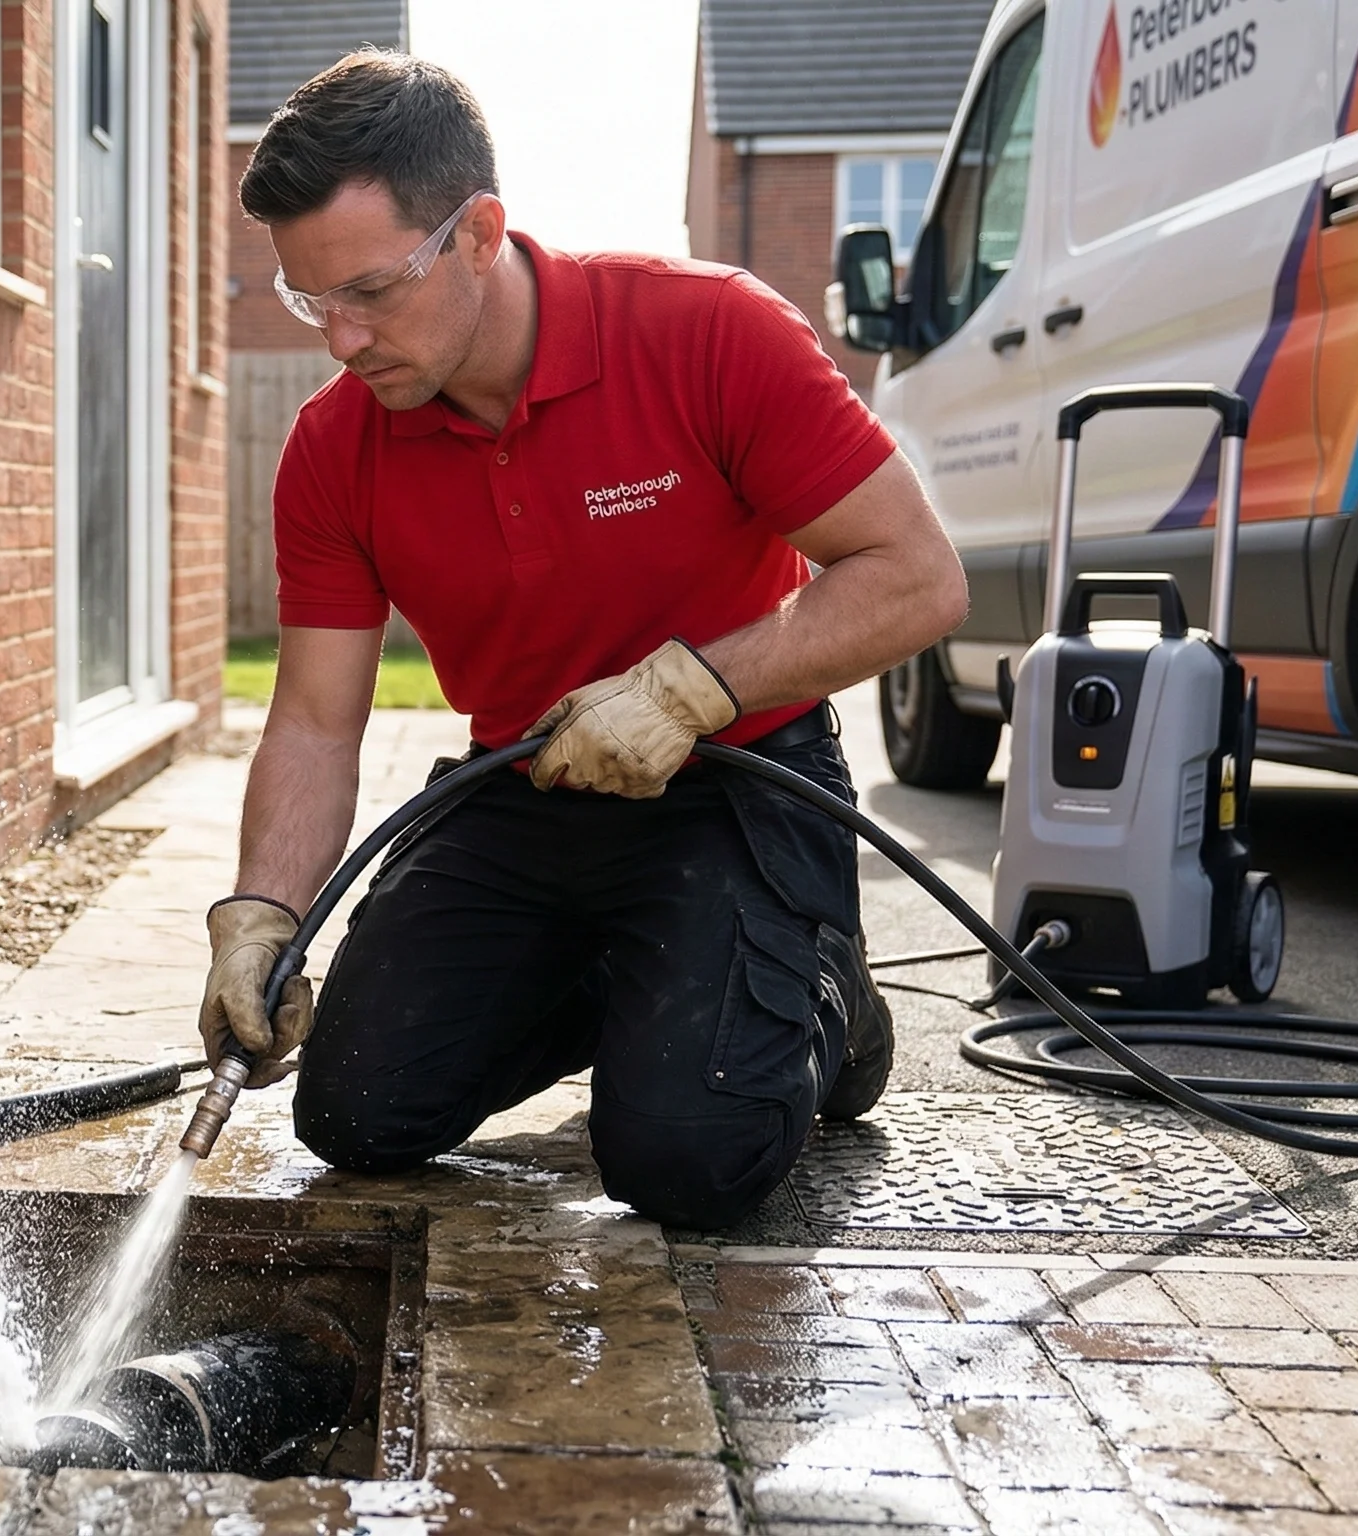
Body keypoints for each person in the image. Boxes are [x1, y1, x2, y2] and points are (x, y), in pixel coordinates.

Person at [197, 52, 970, 1230]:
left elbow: (916, 579)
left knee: (685, 1160)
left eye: (369, 291)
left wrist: (688, 692)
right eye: (312, 302)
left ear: (476, 232)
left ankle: (820, 993)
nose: (341, 340)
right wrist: (260, 911)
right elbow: (311, 717)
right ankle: (657, 979)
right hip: (528, 785)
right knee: (356, 1117)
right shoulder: (332, 449)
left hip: (738, 775)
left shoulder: (706, 331)